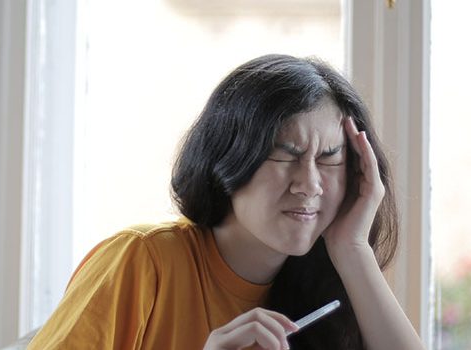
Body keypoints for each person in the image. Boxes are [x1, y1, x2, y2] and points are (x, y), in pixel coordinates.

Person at [27, 54, 424, 350]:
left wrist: (352, 249)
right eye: (285, 154)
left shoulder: (326, 287)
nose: (309, 184)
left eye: (329, 158)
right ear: (231, 155)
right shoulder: (143, 260)